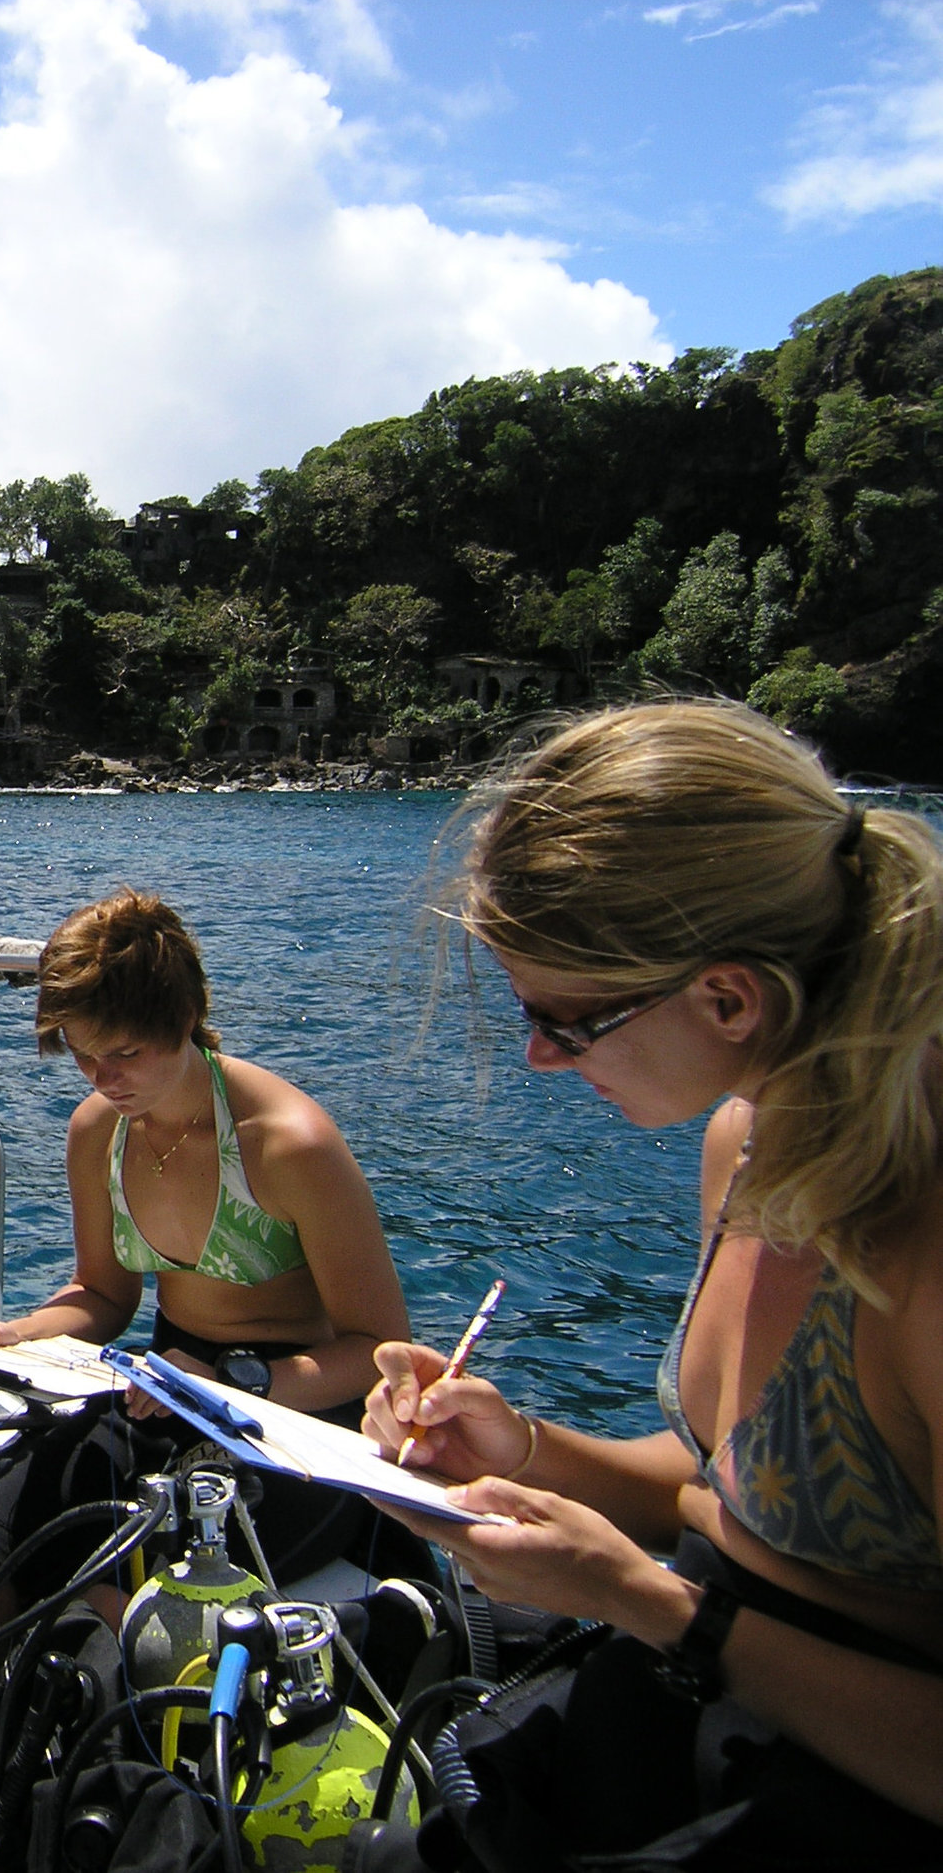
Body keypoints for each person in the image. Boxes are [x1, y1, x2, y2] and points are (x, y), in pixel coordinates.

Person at [366, 700, 943, 1856]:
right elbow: (727, 1483)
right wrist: (523, 1448)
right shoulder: (752, 1142)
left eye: (564, 1022)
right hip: (697, 1705)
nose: (537, 1056)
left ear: (729, 997)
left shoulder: (918, 1252)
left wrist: (649, 1603)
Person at [0, 888, 411, 1872]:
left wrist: (231, 1376)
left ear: (182, 1020)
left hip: (284, 1428)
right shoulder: (101, 1131)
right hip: (160, 1396)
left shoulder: (287, 1145)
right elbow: (103, 1293)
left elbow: (383, 1349)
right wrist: (22, 1333)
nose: (100, 1077)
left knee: (120, 1616)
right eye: (81, 1056)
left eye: (121, 1053)